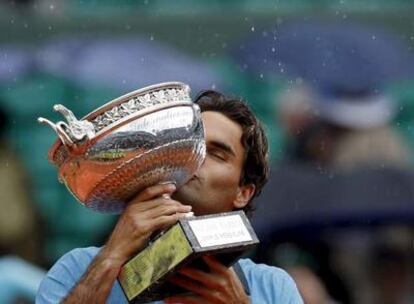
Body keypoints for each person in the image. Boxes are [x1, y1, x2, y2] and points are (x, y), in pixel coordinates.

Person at [36, 90, 303, 303]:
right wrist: (111, 257)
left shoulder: (271, 287)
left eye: (217, 153)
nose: (195, 156)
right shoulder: (77, 268)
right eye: (190, 143)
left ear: (243, 193)